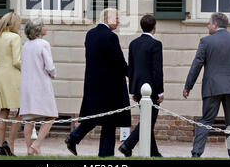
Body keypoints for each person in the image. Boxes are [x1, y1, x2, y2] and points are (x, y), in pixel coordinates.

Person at [183, 12, 230, 158]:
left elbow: (197, 65)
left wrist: (188, 86)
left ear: (215, 24)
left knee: (206, 121)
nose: (208, 26)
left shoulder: (206, 41)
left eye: (209, 23)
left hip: (212, 87)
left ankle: (196, 152)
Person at [65, 8, 131, 157]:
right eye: (117, 18)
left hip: (93, 84)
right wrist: (132, 76)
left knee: (95, 116)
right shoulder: (111, 37)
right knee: (110, 122)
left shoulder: (90, 34)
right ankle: (105, 154)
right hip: (110, 87)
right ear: (108, 19)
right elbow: (119, 62)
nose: (119, 21)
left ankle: (74, 137)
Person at [118, 14, 164, 157]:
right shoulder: (156, 44)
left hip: (137, 87)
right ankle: (127, 145)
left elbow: (131, 68)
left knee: (147, 120)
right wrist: (160, 92)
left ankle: (154, 153)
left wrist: (132, 90)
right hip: (151, 89)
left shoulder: (133, 44)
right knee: (148, 120)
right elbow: (157, 70)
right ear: (154, 27)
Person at [19, 18, 58, 156]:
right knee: (51, 116)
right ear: (39, 30)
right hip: (41, 84)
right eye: (43, 25)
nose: (46, 27)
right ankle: (36, 145)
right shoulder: (44, 44)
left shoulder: (26, 45)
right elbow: (49, 66)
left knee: (29, 119)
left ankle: (29, 149)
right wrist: (54, 74)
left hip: (27, 85)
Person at [0, 12, 23, 156]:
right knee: (22, 110)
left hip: (0, 75)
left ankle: (1, 145)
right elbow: (17, 61)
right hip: (14, 76)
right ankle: (10, 143)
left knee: (3, 111)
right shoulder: (15, 37)